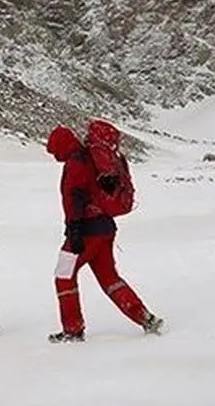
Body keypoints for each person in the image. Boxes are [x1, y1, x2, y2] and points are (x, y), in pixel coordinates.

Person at [44, 125, 162, 342]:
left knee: (63, 276)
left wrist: (74, 231)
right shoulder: (90, 158)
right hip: (105, 228)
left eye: (54, 152)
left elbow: (74, 198)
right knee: (109, 278)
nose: (54, 157)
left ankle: (73, 330)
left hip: (86, 230)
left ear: (62, 146)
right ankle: (144, 317)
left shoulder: (76, 162)